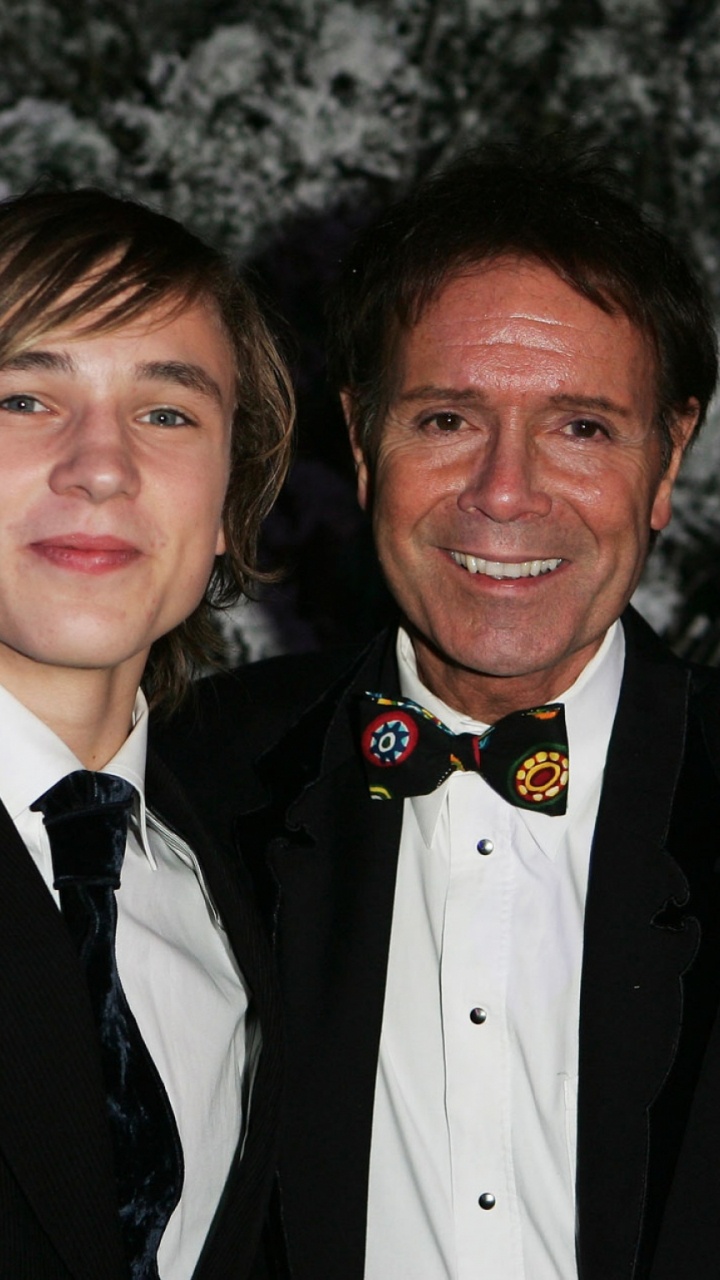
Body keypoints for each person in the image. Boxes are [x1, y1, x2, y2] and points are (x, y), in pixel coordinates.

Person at [154, 147, 720, 1280]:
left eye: (582, 427)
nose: (504, 492)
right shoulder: (195, 776)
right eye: (448, 418)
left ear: (669, 460)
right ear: (365, 445)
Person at [0, 188, 292, 1280]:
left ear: (226, 504)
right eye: (25, 397)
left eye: (167, 413)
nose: (101, 465)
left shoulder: (254, 881)